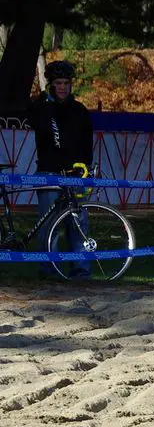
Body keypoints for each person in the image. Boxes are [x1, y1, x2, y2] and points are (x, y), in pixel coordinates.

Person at [25, 59, 93, 278]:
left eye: (65, 83)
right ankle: (49, 269)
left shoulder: (80, 111)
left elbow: (87, 145)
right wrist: (43, 100)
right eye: (57, 83)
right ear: (51, 85)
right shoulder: (40, 107)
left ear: (71, 84)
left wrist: (86, 170)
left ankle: (81, 269)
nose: (62, 87)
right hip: (48, 173)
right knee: (48, 224)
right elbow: (30, 116)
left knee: (78, 221)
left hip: (74, 175)